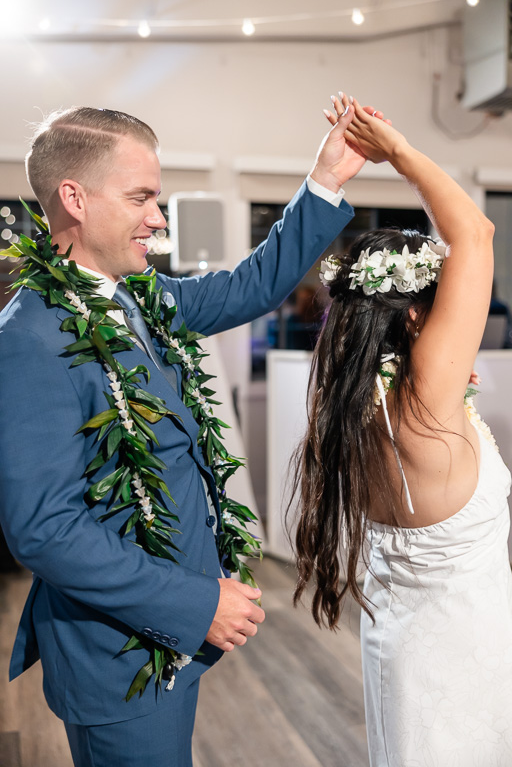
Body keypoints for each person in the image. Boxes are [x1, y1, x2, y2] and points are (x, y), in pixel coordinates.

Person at [0, 94, 380, 766]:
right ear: (76, 198)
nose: (157, 218)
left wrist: (326, 179)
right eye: (142, 197)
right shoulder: (29, 338)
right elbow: (43, 527)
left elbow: (251, 285)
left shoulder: (141, 298)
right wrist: (195, 601)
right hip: (119, 655)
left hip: (168, 638)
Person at [292, 100, 512, 765]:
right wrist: (399, 152)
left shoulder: (350, 405)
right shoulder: (426, 406)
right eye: (445, 302)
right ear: (417, 317)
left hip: (400, 657)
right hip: (462, 662)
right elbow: (474, 232)